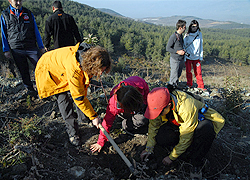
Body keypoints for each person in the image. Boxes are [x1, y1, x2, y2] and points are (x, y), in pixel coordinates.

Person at [35, 42, 111, 146]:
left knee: (80, 92)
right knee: (63, 99)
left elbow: (82, 90)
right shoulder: (75, 68)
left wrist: (91, 116)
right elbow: (78, 97)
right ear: (93, 64)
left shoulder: (88, 58)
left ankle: (83, 119)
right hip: (49, 69)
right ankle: (72, 132)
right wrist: (94, 116)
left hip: (61, 66)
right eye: (100, 70)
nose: (101, 73)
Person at [140, 87, 225, 178]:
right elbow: (153, 127)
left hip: (196, 125)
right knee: (161, 137)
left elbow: (186, 136)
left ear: (169, 105)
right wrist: (149, 149)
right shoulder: (158, 105)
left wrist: (172, 157)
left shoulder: (186, 107)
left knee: (206, 129)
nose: (158, 115)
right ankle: (182, 151)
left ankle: (196, 163)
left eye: (159, 113)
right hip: (179, 125)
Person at [90, 76, 149, 153]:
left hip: (139, 105)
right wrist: (100, 142)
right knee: (126, 123)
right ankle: (126, 121)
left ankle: (131, 121)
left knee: (143, 119)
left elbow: (148, 100)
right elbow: (107, 122)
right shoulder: (113, 104)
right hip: (126, 109)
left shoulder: (139, 84)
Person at [1, 0, 45, 94]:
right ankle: (30, 91)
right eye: (15, 1)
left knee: (40, 67)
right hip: (16, 48)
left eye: (20, 0)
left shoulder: (28, 13)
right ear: (10, 1)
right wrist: (6, 50)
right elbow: (4, 34)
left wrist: (41, 46)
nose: (18, 3)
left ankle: (43, 88)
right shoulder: (5, 15)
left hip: (31, 46)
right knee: (23, 71)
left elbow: (36, 31)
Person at [184, 20, 206, 90]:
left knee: (198, 72)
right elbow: (184, 46)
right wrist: (185, 57)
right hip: (188, 57)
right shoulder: (187, 35)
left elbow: (201, 46)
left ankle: (201, 86)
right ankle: (189, 84)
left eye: (196, 27)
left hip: (196, 57)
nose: (194, 28)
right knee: (188, 71)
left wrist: (201, 56)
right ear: (190, 26)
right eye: (193, 26)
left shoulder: (199, 34)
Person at [166, 19, 186, 88]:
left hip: (180, 59)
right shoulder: (174, 36)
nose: (185, 29)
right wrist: (178, 52)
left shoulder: (180, 36)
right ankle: (171, 90)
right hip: (175, 59)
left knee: (177, 75)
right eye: (184, 27)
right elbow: (168, 48)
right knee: (173, 76)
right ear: (180, 28)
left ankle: (175, 87)